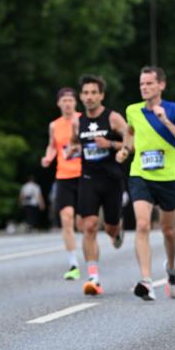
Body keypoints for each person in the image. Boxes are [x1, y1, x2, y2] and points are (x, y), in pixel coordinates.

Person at [117, 66, 175, 301]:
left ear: (161, 85)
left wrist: (165, 121)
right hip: (140, 175)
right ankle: (146, 281)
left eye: (149, 83)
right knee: (142, 225)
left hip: (168, 178)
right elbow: (130, 131)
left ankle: (171, 270)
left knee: (168, 231)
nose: (144, 88)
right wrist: (125, 149)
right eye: (142, 84)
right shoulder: (133, 110)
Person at [69, 75, 128, 296]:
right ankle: (93, 278)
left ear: (101, 95)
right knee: (89, 225)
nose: (90, 97)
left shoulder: (113, 118)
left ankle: (117, 230)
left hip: (112, 179)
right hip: (88, 179)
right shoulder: (78, 121)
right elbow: (76, 141)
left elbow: (132, 142)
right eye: (86, 93)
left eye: (94, 92)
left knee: (110, 227)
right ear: (81, 96)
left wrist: (111, 144)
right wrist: (72, 148)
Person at [41, 88, 82, 280]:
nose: (67, 104)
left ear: (75, 103)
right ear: (58, 103)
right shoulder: (54, 125)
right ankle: (73, 263)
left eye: (70, 100)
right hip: (64, 176)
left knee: (84, 222)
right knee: (66, 218)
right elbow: (52, 145)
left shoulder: (83, 120)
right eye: (64, 100)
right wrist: (48, 157)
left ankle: (114, 229)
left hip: (84, 175)